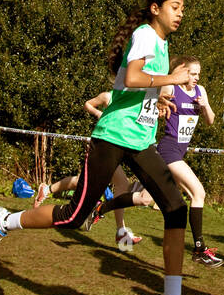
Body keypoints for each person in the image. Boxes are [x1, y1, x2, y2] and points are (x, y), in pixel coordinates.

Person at [0, 0, 218, 295]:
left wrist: (158, 99)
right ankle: (3, 221)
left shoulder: (160, 45)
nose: (180, 13)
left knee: (176, 209)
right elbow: (132, 77)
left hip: (141, 141)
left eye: (182, 9)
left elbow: (125, 86)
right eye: (175, 7)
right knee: (73, 216)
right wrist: (171, 81)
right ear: (155, 8)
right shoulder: (145, 35)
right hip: (113, 137)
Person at [33, 89, 156, 251]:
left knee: (106, 183)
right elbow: (87, 104)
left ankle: (48, 189)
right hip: (103, 143)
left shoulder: (133, 99)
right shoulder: (108, 96)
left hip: (117, 145)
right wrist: (100, 114)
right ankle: (120, 230)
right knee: (105, 184)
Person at [155, 55, 223, 266]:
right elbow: (156, 108)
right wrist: (160, 106)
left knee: (144, 198)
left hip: (180, 151)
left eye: (198, 74)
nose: (196, 78)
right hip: (168, 149)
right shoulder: (171, 88)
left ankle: (101, 209)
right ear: (182, 71)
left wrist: (205, 106)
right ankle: (199, 248)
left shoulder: (200, 91)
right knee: (198, 192)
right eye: (192, 73)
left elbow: (210, 121)